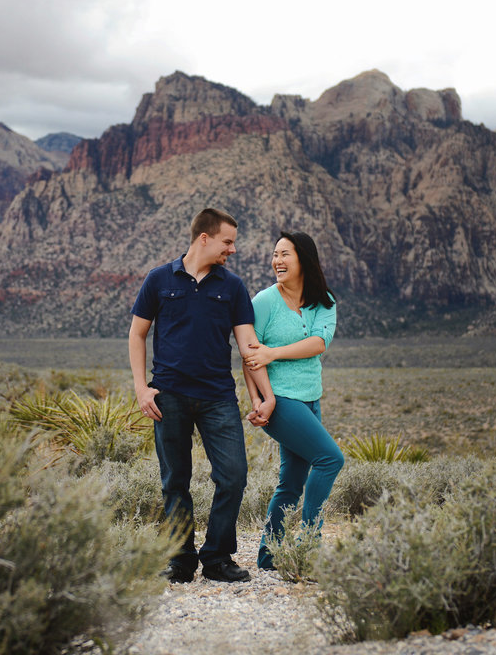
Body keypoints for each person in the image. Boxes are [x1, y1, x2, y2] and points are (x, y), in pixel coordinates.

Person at [129, 208, 277, 584]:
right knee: (175, 480)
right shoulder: (159, 279)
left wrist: (266, 396)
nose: (233, 249)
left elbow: (249, 346)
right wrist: (141, 387)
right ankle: (180, 561)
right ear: (204, 238)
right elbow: (137, 334)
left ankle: (217, 558)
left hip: (218, 398)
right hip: (169, 396)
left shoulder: (232, 287)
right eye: (228, 241)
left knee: (234, 476)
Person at [241, 230, 343, 571]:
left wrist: (274, 353)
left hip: (311, 400)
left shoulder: (324, 301)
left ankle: (268, 557)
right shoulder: (263, 302)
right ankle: (308, 545)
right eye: (275, 255)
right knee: (330, 459)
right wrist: (258, 398)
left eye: (284, 254)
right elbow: (249, 355)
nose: (277, 261)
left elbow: (318, 343)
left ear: (304, 259)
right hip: (281, 400)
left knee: (292, 483)